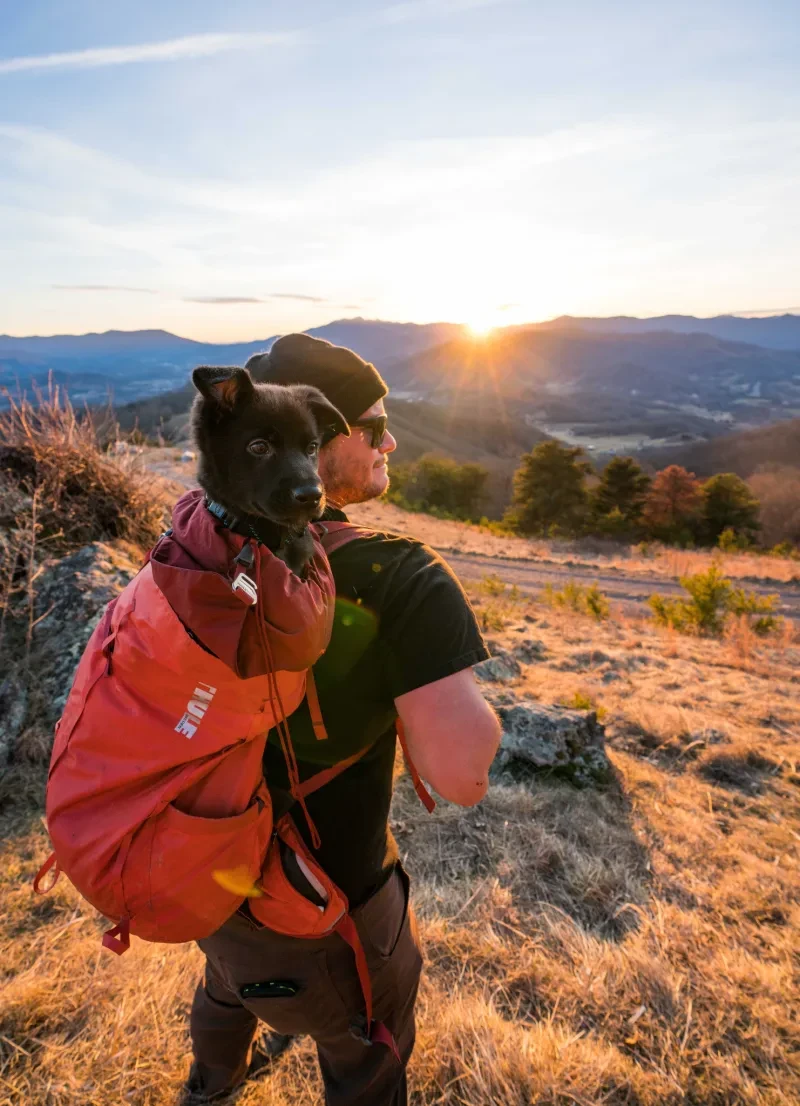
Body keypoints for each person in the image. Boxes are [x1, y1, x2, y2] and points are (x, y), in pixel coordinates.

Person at [184, 333, 501, 1105]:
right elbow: (463, 779)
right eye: (375, 425)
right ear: (320, 436)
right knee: (368, 1058)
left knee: (228, 983)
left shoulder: (192, 548)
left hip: (208, 879)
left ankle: (208, 1088)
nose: (391, 442)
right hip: (333, 909)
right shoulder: (401, 575)